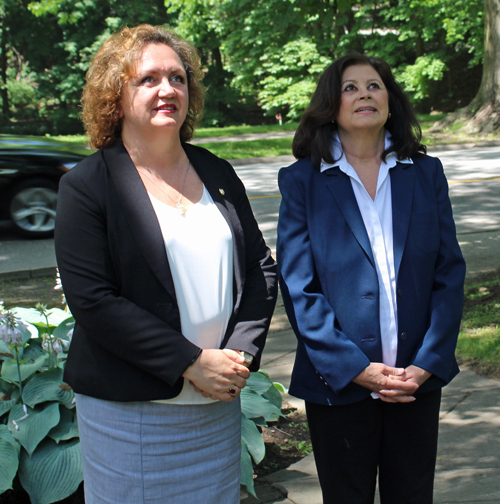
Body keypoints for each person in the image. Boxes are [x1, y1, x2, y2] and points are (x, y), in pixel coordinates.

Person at [55, 24, 277, 504]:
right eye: (148, 79)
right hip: (132, 413)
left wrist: (238, 355)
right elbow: (93, 302)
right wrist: (191, 363)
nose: (167, 90)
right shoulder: (88, 186)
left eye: (177, 78)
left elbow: (259, 267)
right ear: (115, 94)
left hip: (217, 404)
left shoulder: (216, 170)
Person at [277, 53, 465, 504]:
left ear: (390, 101)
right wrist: (356, 369)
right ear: (331, 105)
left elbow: (448, 273)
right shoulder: (302, 181)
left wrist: (428, 362)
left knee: (412, 495)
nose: (364, 93)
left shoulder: (425, 174)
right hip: (339, 384)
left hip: (414, 382)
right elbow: (299, 287)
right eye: (350, 87)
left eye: (374, 85)